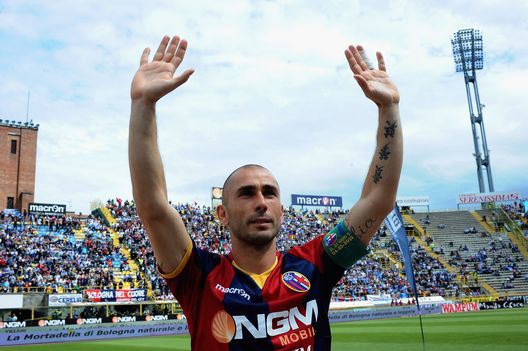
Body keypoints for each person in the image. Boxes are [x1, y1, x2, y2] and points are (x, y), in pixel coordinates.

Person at [129, 35, 402, 350]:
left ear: (281, 210)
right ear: (223, 214)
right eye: (246, 193)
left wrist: (389, 108)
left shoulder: (315, 264)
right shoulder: (198, 276)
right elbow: (154, 207)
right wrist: (143, 105)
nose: (261, 202)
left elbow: (378, 200)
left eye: (269, 193)